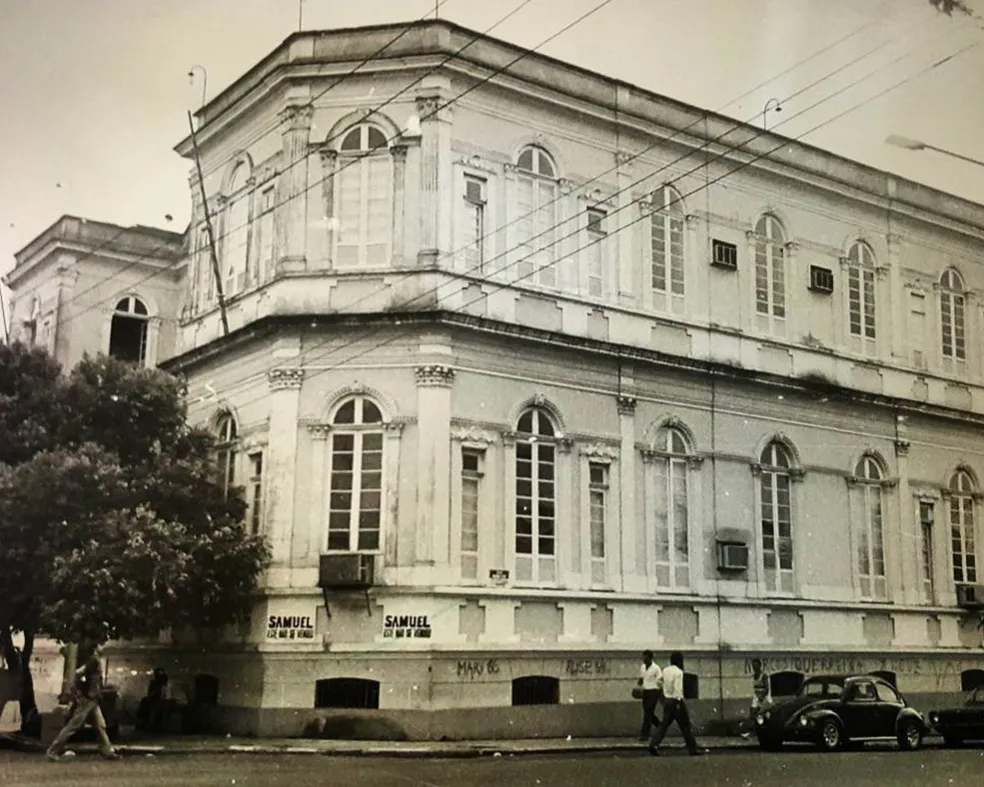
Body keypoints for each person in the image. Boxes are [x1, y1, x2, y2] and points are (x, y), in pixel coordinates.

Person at [46, 653, 120, 762]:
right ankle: (53, 750)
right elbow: (78, 674)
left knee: (100, 725)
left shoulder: (94, 661)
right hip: (88, 700)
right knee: (74, 725)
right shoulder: (93, 661)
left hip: (92, 700)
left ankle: (107, 750)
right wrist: (79, 694)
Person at [648, 651, 705, 756]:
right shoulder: (679, 672)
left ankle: (653, 744)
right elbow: (678, 688)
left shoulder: (665, 670)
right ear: (680, 661)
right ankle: (692, 749)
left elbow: (658, 681)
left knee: (664, 725)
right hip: (676, 701)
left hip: (667, 700)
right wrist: (679, 701)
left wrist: (665, 690)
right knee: (685, 726)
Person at [740, 658, 771, 739]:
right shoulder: (754, 676)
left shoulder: (764, 675)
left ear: (759, 666)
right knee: (752, 714)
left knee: (762, 716)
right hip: (756, 697)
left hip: (764, 698)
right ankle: (752, 732)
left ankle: (760, 732)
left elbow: (767, 688)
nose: (754, 667)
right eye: (753, 666)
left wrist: (762, 697)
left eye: (756, 665)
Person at [637, 650, 663, 741]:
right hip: (645, 692)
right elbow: (641, 679)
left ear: (650, 658)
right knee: (648, 713)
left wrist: (659, 690)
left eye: (646, 658)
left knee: (647, 713)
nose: (644, 660)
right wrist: (639, 684)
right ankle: (660, 726)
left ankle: (644, 734)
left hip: (653, 692)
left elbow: (660, 680)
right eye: (643, 658)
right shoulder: (643, 667)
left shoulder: (656, 668)